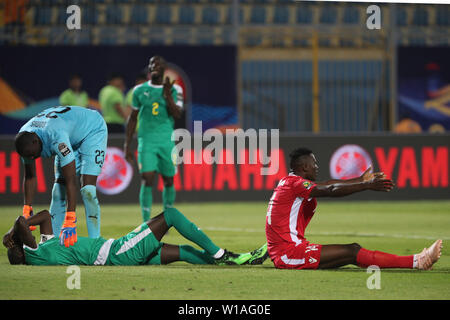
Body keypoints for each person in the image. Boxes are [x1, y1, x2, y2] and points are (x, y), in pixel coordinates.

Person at [265, 147, 442, 270]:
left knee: (352, 252)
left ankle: (416, 260)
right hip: (288, 254)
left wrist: (361, 180)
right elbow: (330, 189)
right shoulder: (294, 184)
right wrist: (366, 185)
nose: (317, 167)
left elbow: (329, 184)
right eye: (314, 163)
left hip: (291, 249)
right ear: (304, 166)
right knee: (352, 251)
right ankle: (418, 261)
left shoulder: (289, 183)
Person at [3, 208, 268, 266]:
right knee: (171, 215)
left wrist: (18, 236)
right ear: (23, 248)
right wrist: (11, 234)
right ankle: (221, 253)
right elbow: (20, 222)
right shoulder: (36, 254)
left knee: (183, 253)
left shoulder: (45, 245)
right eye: (18, 245)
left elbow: (47, 215)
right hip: (117, 251)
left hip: (117, 253)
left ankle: (233, 261)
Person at [14, 106, 107, 247]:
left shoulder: (56, 137)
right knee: (58, 192)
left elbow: (71, 181)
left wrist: (71, 218)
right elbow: (30, 176)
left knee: (88, 189)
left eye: (33, 155)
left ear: (36, 141)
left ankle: (96, 243)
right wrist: (27, 209)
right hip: (71, 133)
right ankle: (52, 244)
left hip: (92, 130)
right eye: (28, 157)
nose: (32, 158)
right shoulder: (24, 141)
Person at [124, 56, 184, 222]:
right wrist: (126, 144)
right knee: (147, 177)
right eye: (151, 64)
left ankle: (168, 217)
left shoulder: (175, 90)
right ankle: (146, 222)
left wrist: (167, 96)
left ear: (164, 68)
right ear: (149, 69)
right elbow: (133, 118)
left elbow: (177, 114)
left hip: (166, 140)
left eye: (158, 64)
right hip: (147, 140)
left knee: (168, 180)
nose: (154, 66)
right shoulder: (139, 91)